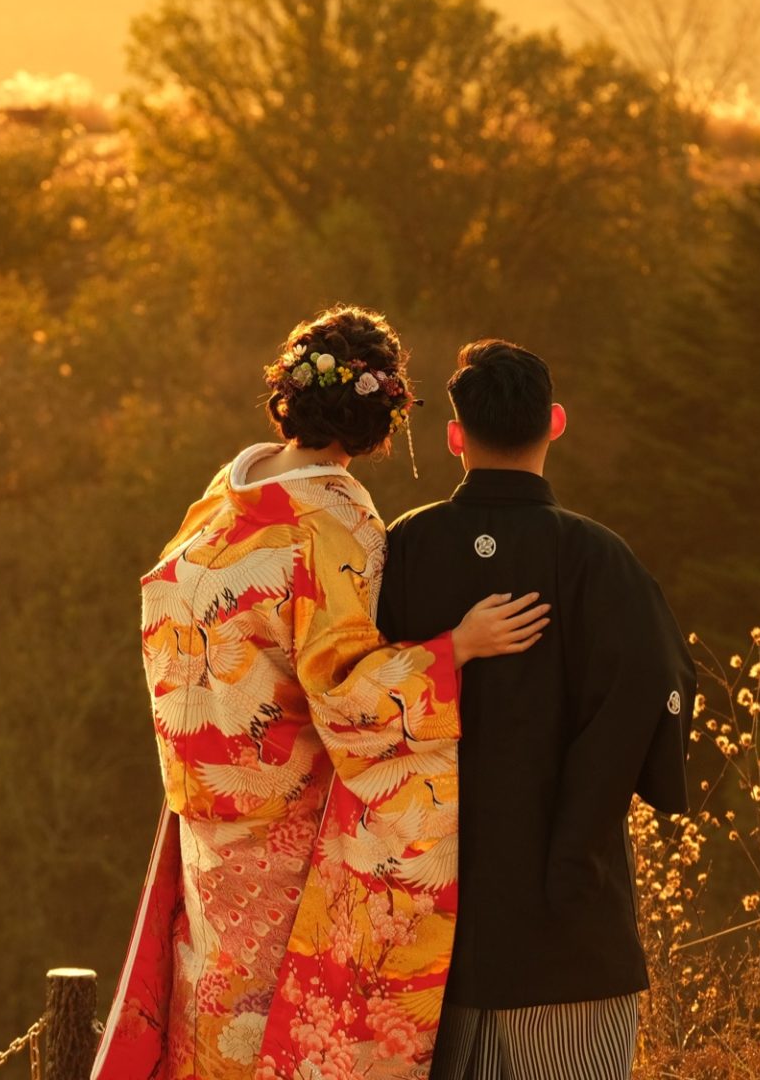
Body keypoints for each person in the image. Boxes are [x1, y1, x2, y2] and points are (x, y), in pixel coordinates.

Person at [93, 307, 550, 1080]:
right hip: (286, 824)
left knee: (209, 1007)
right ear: (381, 417)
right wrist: (455, 650)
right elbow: (344, 690)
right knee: (268, 1025)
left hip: (209, 811)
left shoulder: (225, 492)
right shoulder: (334, 518)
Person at [377, 339, 695, 1080]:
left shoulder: (404, 549)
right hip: (568, 919)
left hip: (426, 913)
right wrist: (576, 843)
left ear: (456, 437)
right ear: (555, 422)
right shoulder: (600, 559)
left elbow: (351, 689)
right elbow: (655, 688)